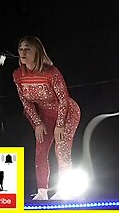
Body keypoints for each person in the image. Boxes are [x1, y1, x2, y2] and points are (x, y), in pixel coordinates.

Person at [13, 36, 81, 200]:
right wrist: (37, 123)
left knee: (61, 148)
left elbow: (64, 99)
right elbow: (25, 102)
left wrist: (60, 125)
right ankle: (42, 192)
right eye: (21, 48)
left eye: (28, 48)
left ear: (37, 51)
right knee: (40, 151)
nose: (23, 52)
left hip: (66, 114)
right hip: (44, 117)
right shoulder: (17, 75)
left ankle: (65, 190)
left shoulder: (51, 72)